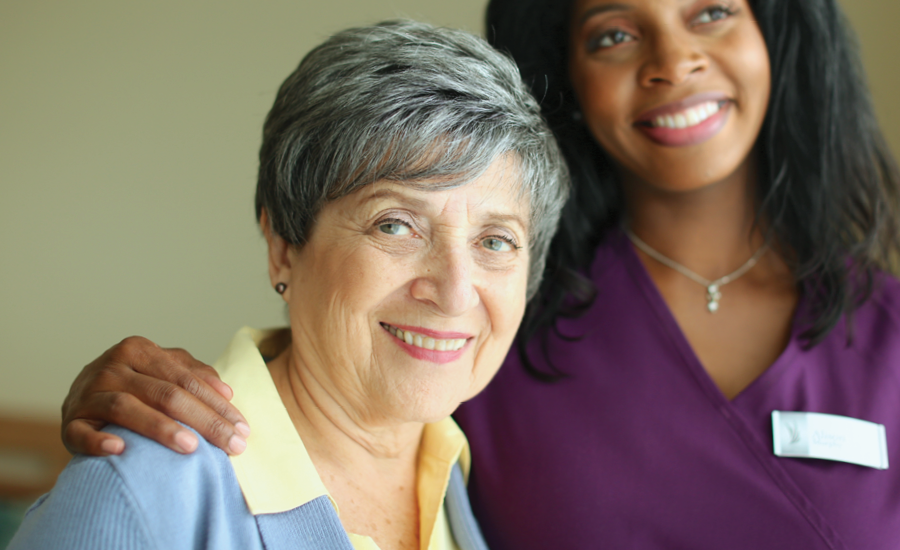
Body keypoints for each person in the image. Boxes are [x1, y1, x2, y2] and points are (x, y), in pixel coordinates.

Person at [55, 0, 900, 548]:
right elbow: (336, 384)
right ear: (568, 73)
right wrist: (130, 427)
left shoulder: (889, 338)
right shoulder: (516, 334)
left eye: (713, 9)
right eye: (613, 30)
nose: (672, 61)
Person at [8, 20, 569, 550]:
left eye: (496, 241)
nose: (454, 292)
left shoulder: (457, 473)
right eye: (395, 224)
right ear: (283, 246)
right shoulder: (138, 492)